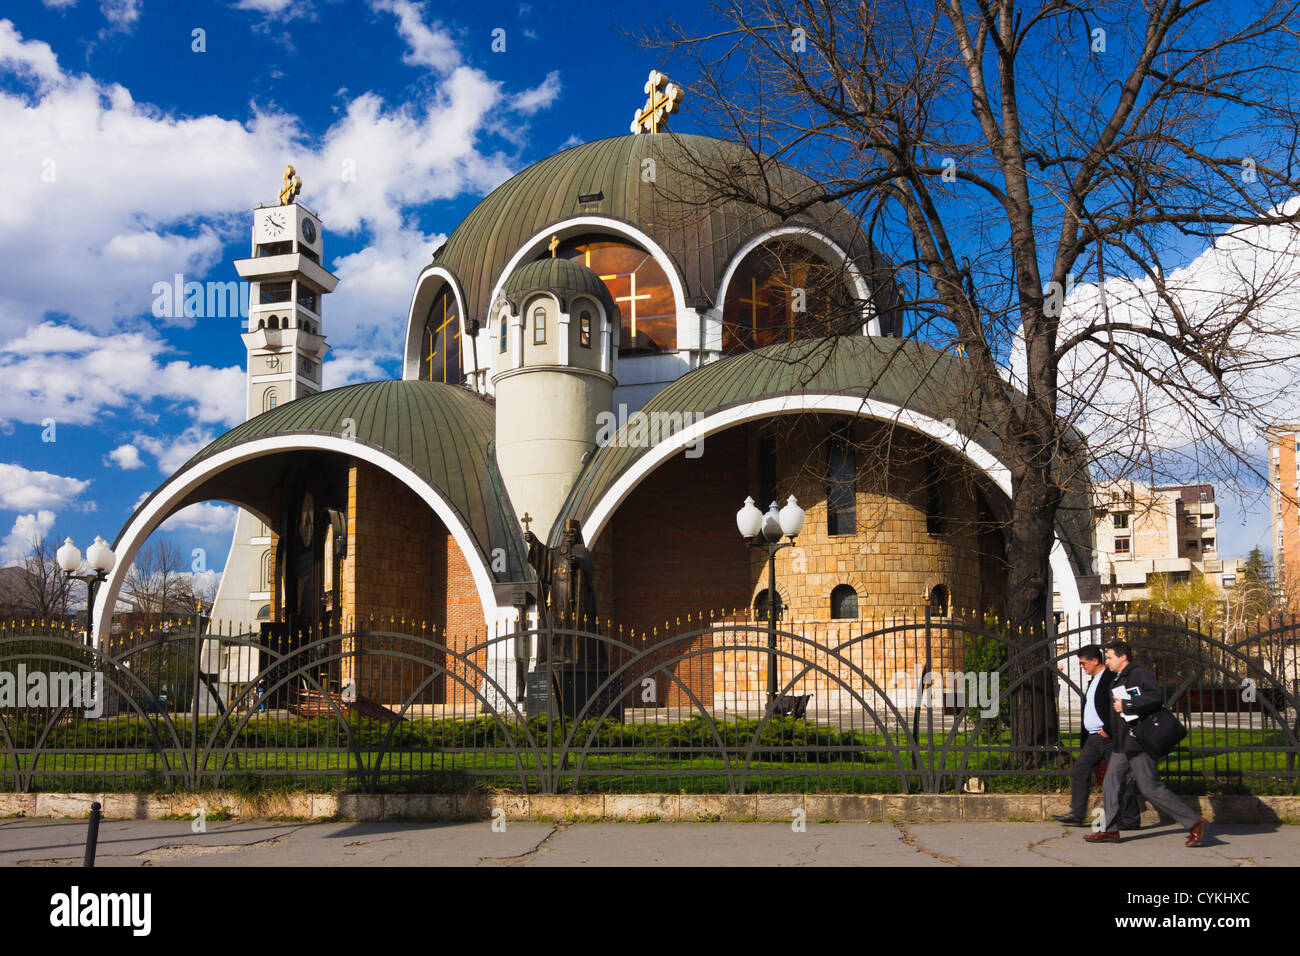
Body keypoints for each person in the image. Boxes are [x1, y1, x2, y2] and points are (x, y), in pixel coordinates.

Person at [1084, 640, 1207, 846]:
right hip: (1122, 743)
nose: (1107, 661)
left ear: (1123, 657)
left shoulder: (1139, 674)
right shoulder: (1118, 678)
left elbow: (1156, 697)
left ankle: (1194, 823)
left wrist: (1127, 704)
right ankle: (1111, 830)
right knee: (1111, 784)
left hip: (1138, 742)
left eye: (1110, 657)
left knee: (1150, 787)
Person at [1054, 645, 1141, 829]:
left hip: (1108, 737)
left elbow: (1117, 705)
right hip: (1094, 738)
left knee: (1121, 777)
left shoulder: (1110, 678)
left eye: (1083, 663)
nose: (1082, 667)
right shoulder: (1094, 680)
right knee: (1081, 771)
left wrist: (1108, 728)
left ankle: (1131, 819)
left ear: (1095, 661)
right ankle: (1077, 814)